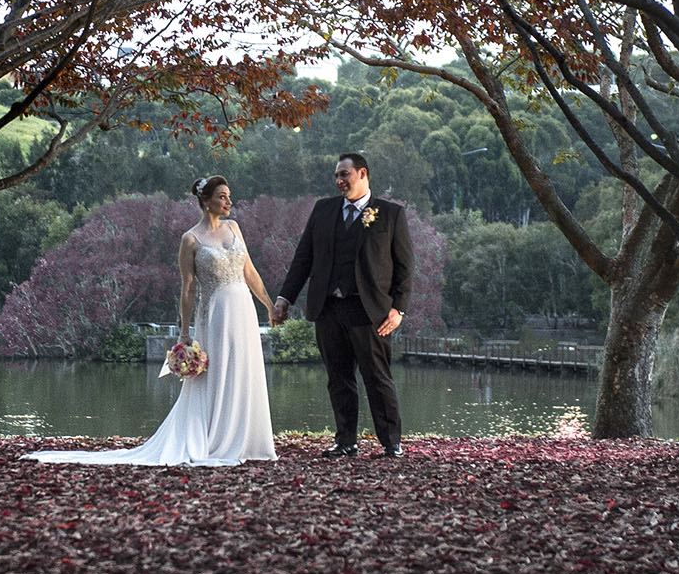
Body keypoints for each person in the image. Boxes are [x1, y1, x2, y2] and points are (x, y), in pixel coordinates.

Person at [27, 176, 276, 466]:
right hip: (216, 314)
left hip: (243, 309)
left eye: (229, 196)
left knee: (243, 370)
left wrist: (268, 305)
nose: (229, 201)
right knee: (218, 373)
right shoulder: (191, 240)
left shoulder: (234, 228)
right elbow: (187, 288)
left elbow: (250, 272)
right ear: (206, 201)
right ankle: (217, 439)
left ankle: (245, 439)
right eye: (222, 196)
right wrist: (184, 333)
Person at [270, 153, 413, 457]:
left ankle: (391, 442)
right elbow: (303, 258)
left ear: (363, 173)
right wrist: (285, 298)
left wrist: (398, 309)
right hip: (329, 310)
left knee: (377, 378)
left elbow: (405, 267)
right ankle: (345, 441)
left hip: (370, 312)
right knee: (338, 378)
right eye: (336, 175)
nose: (339, 181)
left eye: (344, 174)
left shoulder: (390, 214)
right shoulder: (323, 210)